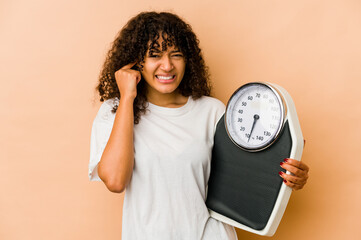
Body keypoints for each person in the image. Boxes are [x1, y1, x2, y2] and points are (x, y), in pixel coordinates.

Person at [88, 11, 309, 240]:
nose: (167, 66)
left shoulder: (212, 111)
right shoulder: (116, 110)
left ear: (188, 59)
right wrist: (127, 97)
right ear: (137, 61)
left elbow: (245, 177)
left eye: (176, 55)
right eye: (155, 55)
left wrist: (286, 174)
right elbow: (115, 181)